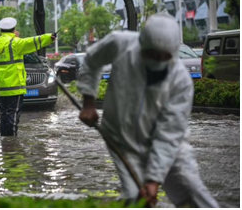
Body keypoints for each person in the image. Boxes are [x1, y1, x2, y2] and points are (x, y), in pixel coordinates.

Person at [77, 13, 219, 207]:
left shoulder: (181, 81)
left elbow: (169, 133)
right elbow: (92, 60)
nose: (157, 60)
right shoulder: (120, 43)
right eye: (152, 54)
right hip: (121, 139)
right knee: (135, 197)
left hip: (168, 143)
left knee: (192, 190)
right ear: (142, 44)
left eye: (164, 56)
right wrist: (88, 102)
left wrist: (153, 180)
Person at [0, 17, 56, 136]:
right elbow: (31, 42)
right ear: (13, 30)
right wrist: (49, 37)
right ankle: (11, 143)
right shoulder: (14, 43)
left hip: (4, 86)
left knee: (5, 114)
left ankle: (4, 140)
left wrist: (12, 36)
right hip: (15, 85)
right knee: (14, 114)